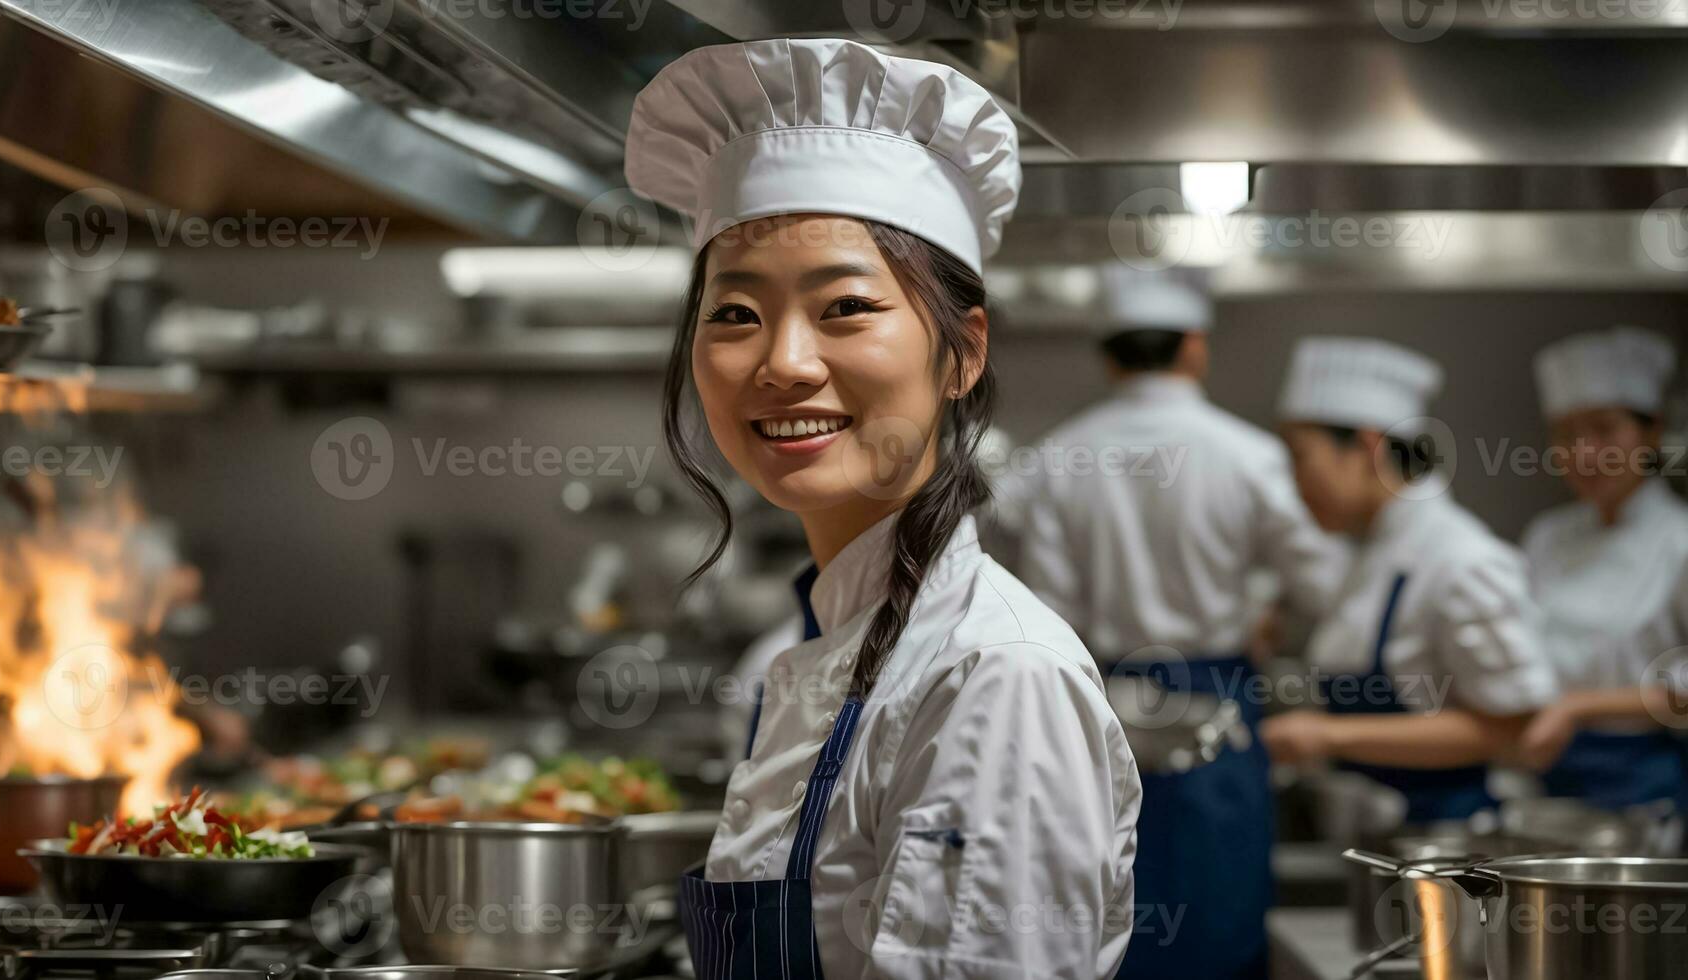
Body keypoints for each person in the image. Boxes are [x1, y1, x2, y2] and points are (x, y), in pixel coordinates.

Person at [624, 38, 1140, 977]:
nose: (781, 362)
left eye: (846, 308)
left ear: (962, 352)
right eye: (734, 313)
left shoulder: (994, 681)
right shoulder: (832, 650)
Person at [1016, 272, 1345, 980]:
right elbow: (1322, 582)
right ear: (1194, 349)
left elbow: (1045, 610)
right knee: (1219, 909)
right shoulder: (1249, 455)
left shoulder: (1055, 458)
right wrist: (1270, 614)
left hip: (1097, 698)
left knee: (1114, 909)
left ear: (1109, 357)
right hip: (1217, 694)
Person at [1260, 337, 1558, 823]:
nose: (1294, 483)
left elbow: (1514, 726)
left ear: (1366, 446)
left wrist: (1331, 736)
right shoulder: (1372, 550)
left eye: (1301, 456)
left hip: (1452, 847)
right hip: (1384, 840)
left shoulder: (1461, 561)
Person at [1513, 328, 1688, 813]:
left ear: (1651, 433)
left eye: (1605, 429)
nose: (1585, 453)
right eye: (1567, 434)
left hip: (1647, 780)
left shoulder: (1679, 540)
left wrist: (1576, 707)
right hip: (1547, 774)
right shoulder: (1547, 536)